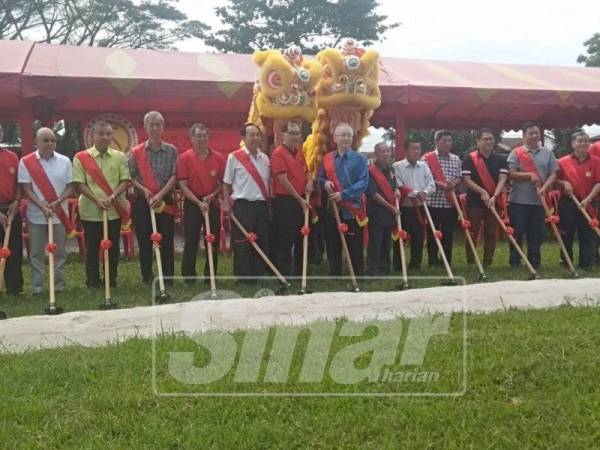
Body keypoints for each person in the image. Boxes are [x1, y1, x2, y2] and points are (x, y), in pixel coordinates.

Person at [72, 120, 131, 288]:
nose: (105, 137)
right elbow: (78, 183)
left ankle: (110, 280)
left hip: (114, 210)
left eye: (108, 134)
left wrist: (112, 197)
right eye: (101, 133)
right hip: (90, 210)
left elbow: (125, 180)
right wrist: (96, 200)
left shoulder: (119, 157)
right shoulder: (80, 157)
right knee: (92, 249)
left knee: (112, 248)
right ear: (93, 136)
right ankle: (92, 281)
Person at [18, 127, 73, 295]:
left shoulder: (65, 161)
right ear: (36, 142)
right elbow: (26, 189)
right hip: (36, 215)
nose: (50, 143)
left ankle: (59, 286)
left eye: (53, 140)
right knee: (35, 253)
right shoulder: (26, 162)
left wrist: (57, 202)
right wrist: (42, 206)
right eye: (46, 140)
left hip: (59, 214)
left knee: (59, 252)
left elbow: (71, 187)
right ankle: (38, 288)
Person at [129, 111, 178, 285]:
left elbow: (174, 176)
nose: (155, 127)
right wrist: (145, 190)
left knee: (167, 240)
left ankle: (168, 276)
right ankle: (147, 276)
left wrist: (160, 194)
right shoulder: (136, 152)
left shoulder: (172, 150)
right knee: (144, 240)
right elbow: (132, 177)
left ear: (163, 127)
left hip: (165, 200)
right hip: (144, 201)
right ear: (146, 128)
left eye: (158, 124)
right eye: (152, 124)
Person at [318, 122, 369, 277]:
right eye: (343, 135)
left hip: (352, 208)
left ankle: (358, 273)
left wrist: (344, 194)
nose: (346, 138)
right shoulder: (327, 158)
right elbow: (320, 177)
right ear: (335, 138)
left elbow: (363, 182)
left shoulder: (360, 159)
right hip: (333, 207)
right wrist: (325, 182)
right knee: (333, 241)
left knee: (354, 243)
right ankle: (335, 273)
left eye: (349, 135)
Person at [223, 123, 271, 283]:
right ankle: (243, 277)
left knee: (261, 239)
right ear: (243, 137)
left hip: (261, 206)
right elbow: (226, 184)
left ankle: (257, 274)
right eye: (252, 134)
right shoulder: (234, 157)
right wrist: (226, 203)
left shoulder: (265, 158)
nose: (256, 138)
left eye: (258, 134)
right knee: (242, 242)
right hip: (242, 206)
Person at [506, 121, 558, 269]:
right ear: (524, 136)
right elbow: (511, 174)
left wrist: (544, 187)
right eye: (531, 133)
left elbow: (553, 173)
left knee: (536, 233)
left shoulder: (548, 153)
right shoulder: (516, 153)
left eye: (537, 132)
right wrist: (529, 175)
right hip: (518, 201)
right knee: (517, 232)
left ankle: (534, 261)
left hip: (539, 201)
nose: (534, 135)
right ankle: (515, 261)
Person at [178, 123, 224, 284]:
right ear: (192, 139)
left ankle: (210, 274)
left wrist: (212, 196)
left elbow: (222, 183)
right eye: (198, 136)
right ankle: (189, 276)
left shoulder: (218, 157)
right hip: (192, 203)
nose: (202, 139)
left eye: (204, 135)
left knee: (212, 239)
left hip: (211, 203)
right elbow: (183, 186)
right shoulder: (185, 158)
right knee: (191, 239)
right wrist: (198, 202)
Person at [461, 129, 509, 267]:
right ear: (478, 142)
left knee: (491, 232)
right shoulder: (470, 158)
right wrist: (482, 191)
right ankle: (471, 261)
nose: (489, 141)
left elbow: (503, 179)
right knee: (473, 231)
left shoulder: (500, 159)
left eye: (491, 139)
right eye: (485, 139)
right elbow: (466, 180)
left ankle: (488, 261)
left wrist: (494, 196)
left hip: (494, 201)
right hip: (475, 202)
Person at [270, 121, 312, 277]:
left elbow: (306, 171)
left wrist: (309, 182)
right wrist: (300, 200)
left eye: (298, 133)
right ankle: (283, 272)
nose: (295, 137)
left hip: (302, 199)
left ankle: (300, 271)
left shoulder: (299, 151)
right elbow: (283, 180)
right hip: (285, 201)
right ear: (283, 135)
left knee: (302, 234)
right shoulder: (278, 153)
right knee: (285, 237)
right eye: (292, 133)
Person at [556, 131, 600, 269]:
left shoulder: (596, 161)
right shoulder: (562, 162)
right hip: (568, 202)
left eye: (586, 141)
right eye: (579, 141)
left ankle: (586, 263)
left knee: (587, 232)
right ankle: (566, 262)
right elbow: (554, 180)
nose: (583, 144)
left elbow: (598, 182)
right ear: (572, 144)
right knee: (566, 232)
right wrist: (564, 183)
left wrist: (588, 198)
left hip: (589, 201)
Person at [393, 140, 436, 271]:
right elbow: (399, 185)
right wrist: (416, 193)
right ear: (406, 150)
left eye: (418, 149)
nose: (417, 151)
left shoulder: (424, 166)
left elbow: (432, 184)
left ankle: (416, 264)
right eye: (413, 149)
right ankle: (398, 264)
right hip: (404, 207)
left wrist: (425, 192)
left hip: (421, 206)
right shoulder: (397, 166)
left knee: (418, 236)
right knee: (400, 236)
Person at [422, 130, 462, 266]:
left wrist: (453, 183)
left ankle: (446, 261)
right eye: (444, 141)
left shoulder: (456, 159)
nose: (447, 144)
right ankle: (433, 260)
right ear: (437, 142)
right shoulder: (427, 158)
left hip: (450, 203)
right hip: (433, 202)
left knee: (448, 233)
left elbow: (459, 176)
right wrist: (442, 184)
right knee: (433, 233)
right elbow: (427, 178)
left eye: (449, 141)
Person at [366, 142, 397, 275]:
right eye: (382, 151)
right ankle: (372, 269)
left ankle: (385, 268)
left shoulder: (391, 170)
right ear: (375, 154)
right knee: (375, 242)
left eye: (388, 151)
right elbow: (373, 194)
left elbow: (394, 186)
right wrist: (390, 206)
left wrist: (397, 191)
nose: (386, 154)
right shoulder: (370, 171)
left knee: (386, 242)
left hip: (389, 212)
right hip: (377, 211)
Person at [0, 122, 23, 295]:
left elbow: (19, 184)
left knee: (13, 249)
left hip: (12, 208)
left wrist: (16, 201)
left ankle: (14, 288)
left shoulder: (12, 156)